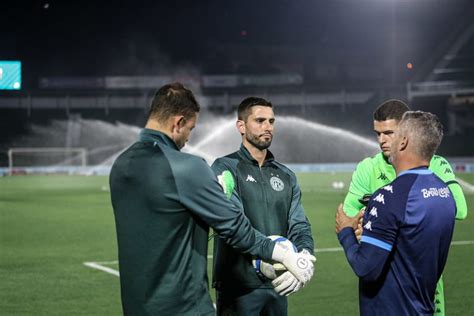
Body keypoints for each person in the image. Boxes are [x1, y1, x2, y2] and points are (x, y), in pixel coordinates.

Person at [109, 83, 316, 315]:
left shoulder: (120, 165)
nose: (188, 139)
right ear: (178, 122)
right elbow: (234, 227)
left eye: (271, 121)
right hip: (187, 305)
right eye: (190, 129)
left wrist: (304, 252)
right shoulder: (188, 168)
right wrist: (285, 254)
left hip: (137, 306)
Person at [343, 99, 468, 315]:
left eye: (389, 133)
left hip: (422, 277)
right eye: (377, 133)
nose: (382, 140)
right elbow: (348, 213)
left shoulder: (435, 163)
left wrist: (386, 212)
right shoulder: (367, 167)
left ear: (406, 133)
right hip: (381, 272)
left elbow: (460, 208)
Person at [211, 97, 314, 316]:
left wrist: (304, 258)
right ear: (241, 126)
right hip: (239, 286)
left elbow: (299, 224)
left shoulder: (286, 175)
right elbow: (234, 227)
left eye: (271, 121)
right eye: (259, 120)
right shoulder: (225, 168)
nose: (267, 127)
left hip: (278, 283)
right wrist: (280, 256)